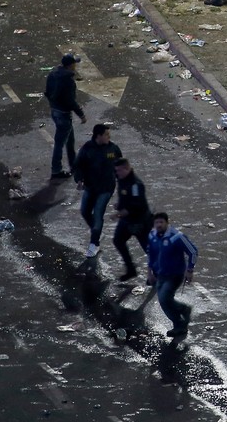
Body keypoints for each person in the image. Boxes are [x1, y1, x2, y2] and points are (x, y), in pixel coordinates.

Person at [146, 212, 198, 342]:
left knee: (164, 298)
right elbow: (150, 255)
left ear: (167, 223)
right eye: (156, 222)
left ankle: (181, 317)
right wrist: (149, 272)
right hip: (160, 274)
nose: (159, 225)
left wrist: (190, 270)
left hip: (175, 274)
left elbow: (192, 251)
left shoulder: (176, 237)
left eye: (161, 222)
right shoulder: (152, 236)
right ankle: (180, 319)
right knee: (164, 302)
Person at [72, 123, 122, 258]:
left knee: (98, 213)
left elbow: (120, 166)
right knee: (85, 211)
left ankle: (94, 243)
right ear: (98, 136)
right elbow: (78, 166)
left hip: (106, 188)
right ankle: (97, 231)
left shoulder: (113, 149)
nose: (109, 137)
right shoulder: (87, 149)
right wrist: (79, 179)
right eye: (106, 135)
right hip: (90, 186)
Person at [45, 53, 86, 179]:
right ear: (71, 65)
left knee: (70, 139)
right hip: (64, 114)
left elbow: (47, 92)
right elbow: (70, 101)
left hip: (55, 111)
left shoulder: (52, 74)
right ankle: (56, 170)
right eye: (74, 63)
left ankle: (73, 165)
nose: (76, 66)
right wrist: (81, 114)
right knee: (60, 143)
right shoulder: (68, 81)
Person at [111, 159, 153, 281]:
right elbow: (125, 197)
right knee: (118, 241)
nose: (117, 173)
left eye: (119, 170)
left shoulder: (136, 185)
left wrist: (118, 214)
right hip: (126, 221)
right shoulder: (122, 179)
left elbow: (137, 206)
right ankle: (131, 269)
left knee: (149, 249)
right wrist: (120, 204)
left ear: (127, 168)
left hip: (140, 222)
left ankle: (158, 273)